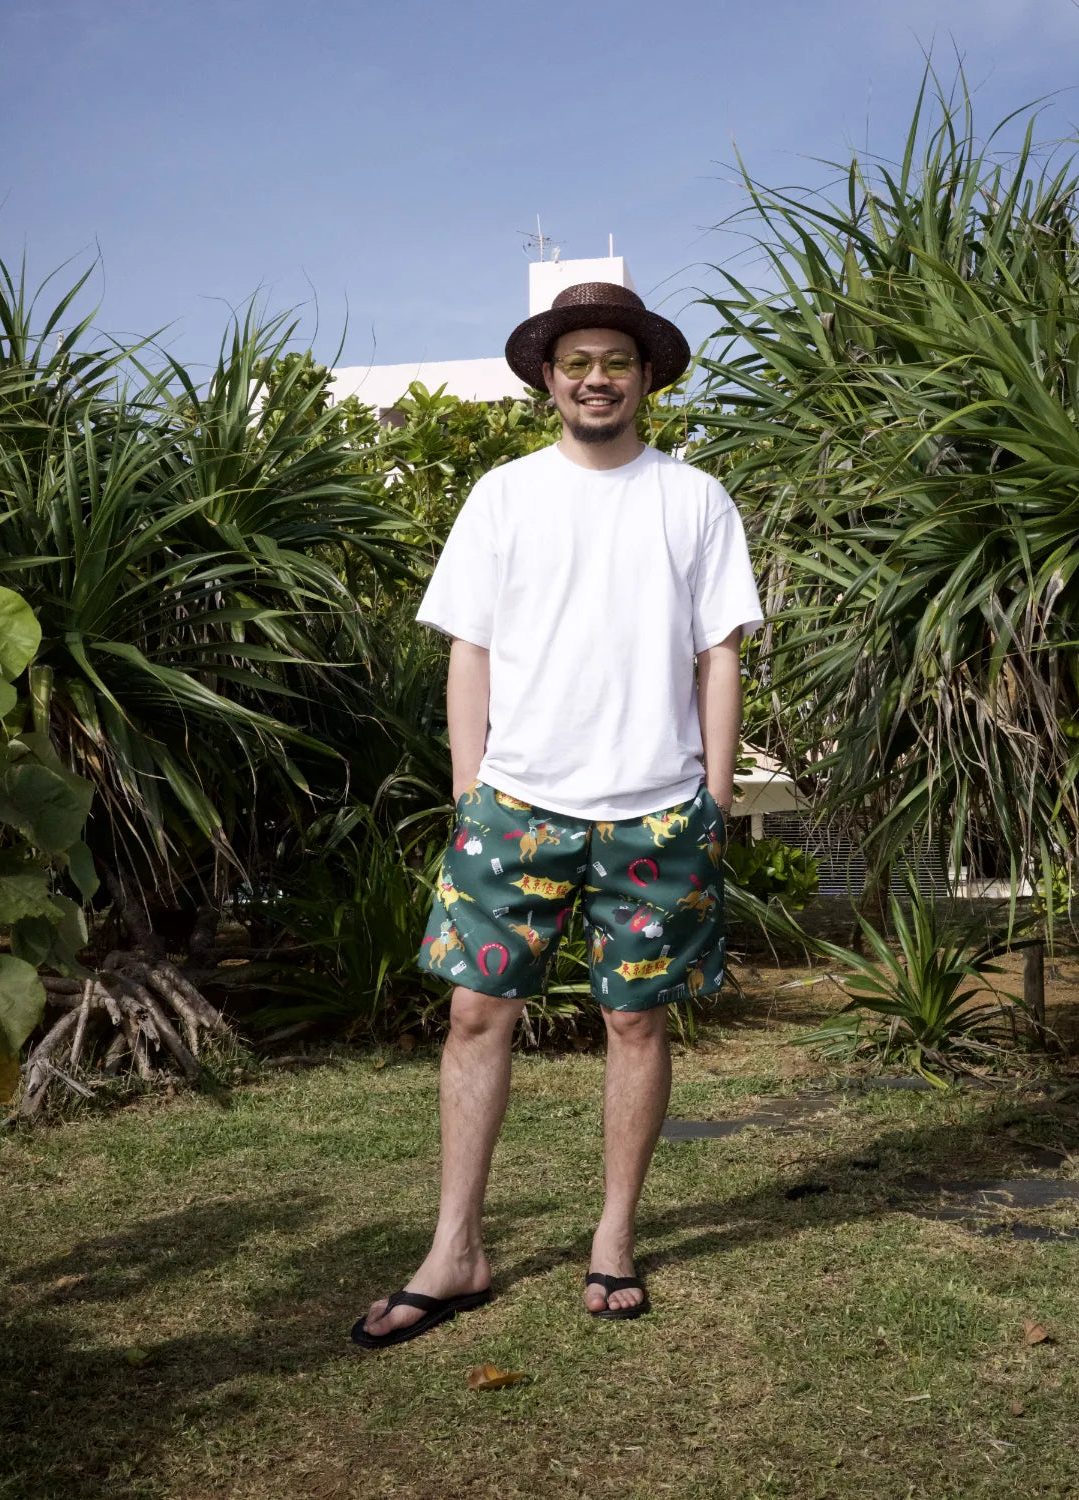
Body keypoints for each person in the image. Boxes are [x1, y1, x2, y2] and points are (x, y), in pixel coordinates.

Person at [352, 281, 763, 1348]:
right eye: (576, 361)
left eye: (615, 361)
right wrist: (468, 791)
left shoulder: (695, 499)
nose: (596, 378)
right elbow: (469, 648)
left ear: (646, 376)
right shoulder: (504, 495)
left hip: (657, 811)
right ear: (549, 378)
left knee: (637, 1021)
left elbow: (718, 654)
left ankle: (614, 1240)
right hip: (518, 804)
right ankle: (456, 1250)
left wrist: (715, 800)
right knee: (474, 1014)